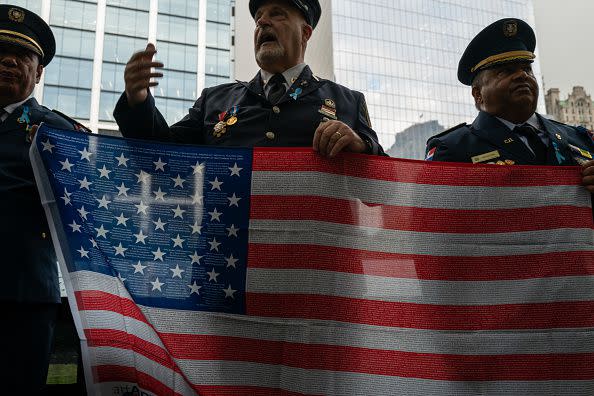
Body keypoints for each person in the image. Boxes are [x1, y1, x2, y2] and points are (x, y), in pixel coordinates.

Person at [114, 0, 384, 157]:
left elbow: (380, 192)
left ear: (305, 33)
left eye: (276, 14)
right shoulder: (215, 100)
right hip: (229, 253)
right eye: (258, 18)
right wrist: (137, 100)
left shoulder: (347, 101)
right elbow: (159, 157)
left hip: (311, 255)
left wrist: (359, 146)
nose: (262, 23)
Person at [0, 4, 87, 394]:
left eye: (22, 56)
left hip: (24, 298)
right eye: (0, 53)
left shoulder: (58, 131)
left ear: (38, 72)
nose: (8, 61)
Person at [425, 18, 594, 192]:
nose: (522, 75)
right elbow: (435, 216)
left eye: (527, 69)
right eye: (506, 71)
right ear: (478, 94)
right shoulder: (452, 149)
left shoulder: (581, 140)